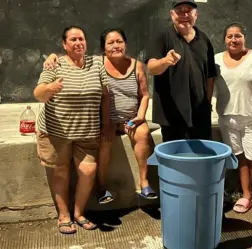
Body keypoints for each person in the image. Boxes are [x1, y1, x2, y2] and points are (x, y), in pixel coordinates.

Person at [43, 28, 157, 203]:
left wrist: (140, 116)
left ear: (125, 44)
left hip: (132, 118)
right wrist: (53, 56)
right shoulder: (97, 63)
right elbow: (73, 56)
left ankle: (144, 183)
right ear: (104, 48)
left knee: (143, 134)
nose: (116, 46)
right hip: (106, 120)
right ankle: (101, 187)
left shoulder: (137, 66)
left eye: (119, 41)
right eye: (110, 43)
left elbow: (145, 95)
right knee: (104, 142)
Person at [34, 26, 111, 234]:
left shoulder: (96, 63)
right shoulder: (55, 64)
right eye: (73, 39)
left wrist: (106, 124)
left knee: (88, 170)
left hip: (87, 132)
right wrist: (49, 89)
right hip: (56, 132)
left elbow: (105, 96)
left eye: (82, 39)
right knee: (61, 172)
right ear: (64, 45)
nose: (78, 42)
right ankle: (64, 215)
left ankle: (78, 213)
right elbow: (39, 94)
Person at [214, 23, 252, 216]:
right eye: (230, 36)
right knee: (240, 157)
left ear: (244, 37)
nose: (234, 40)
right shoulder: (215, 60)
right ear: (224, 39)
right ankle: (246, 194)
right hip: (228, 119)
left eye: (238, 36)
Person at [145, 0, 217, 142]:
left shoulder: (204, 39)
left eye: (188, 11)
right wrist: (164, 61)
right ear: (172, 15)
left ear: (196, 14)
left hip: (200, 114)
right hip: (172, 114)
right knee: (175, 159)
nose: (184, 15)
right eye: (179, 11)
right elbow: (151, 68)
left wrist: (207, 104)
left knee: (200, 160)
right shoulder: (163, 36)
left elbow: (210, 76)